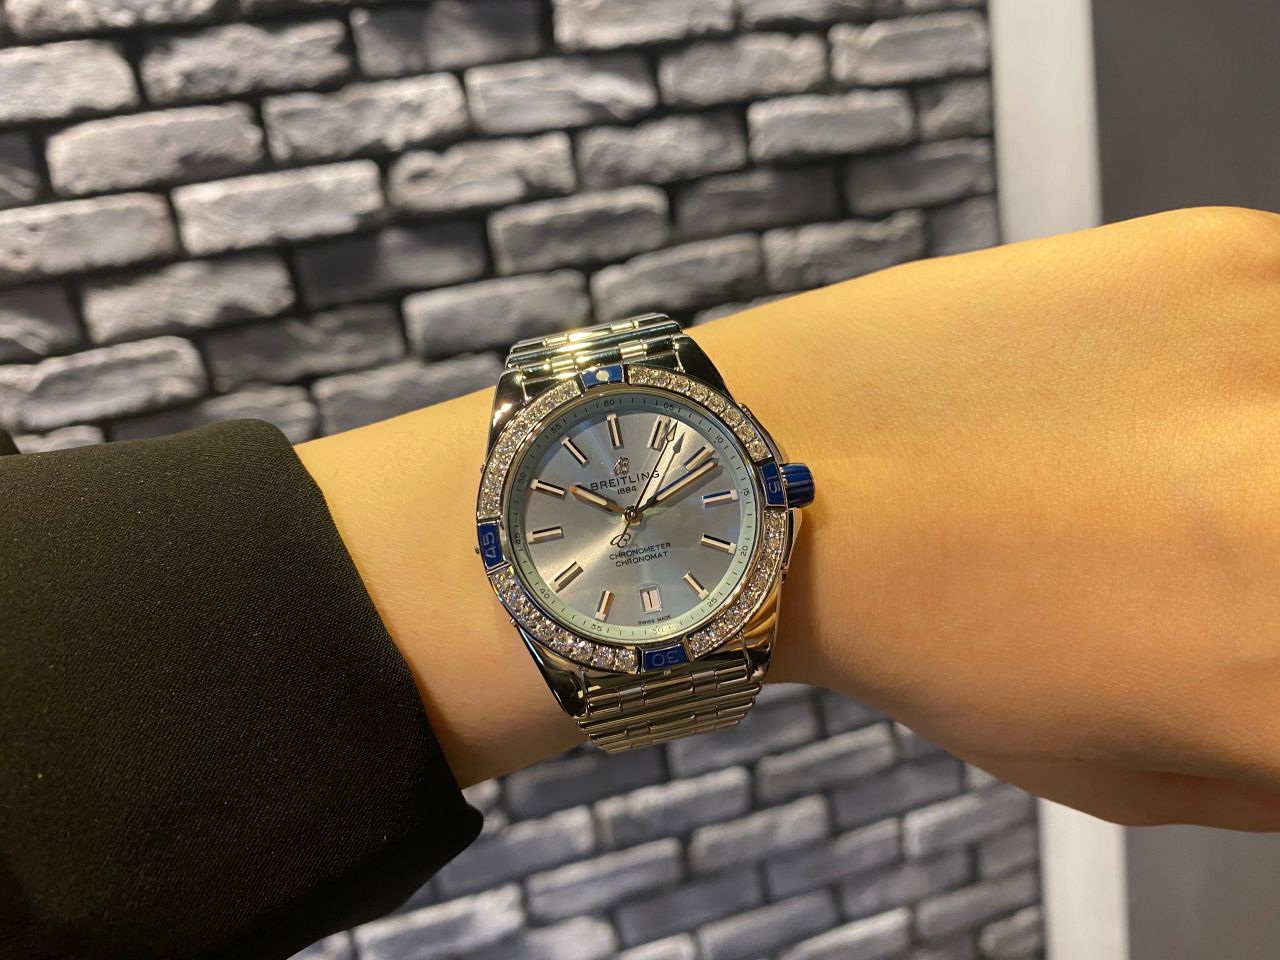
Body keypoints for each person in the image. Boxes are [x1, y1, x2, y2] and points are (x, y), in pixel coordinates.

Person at [5, 206, 1280, 960]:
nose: (623, 513)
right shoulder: (529, 532)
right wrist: (869, 503)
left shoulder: (710, 492)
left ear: (774, 487)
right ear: (504, 539)